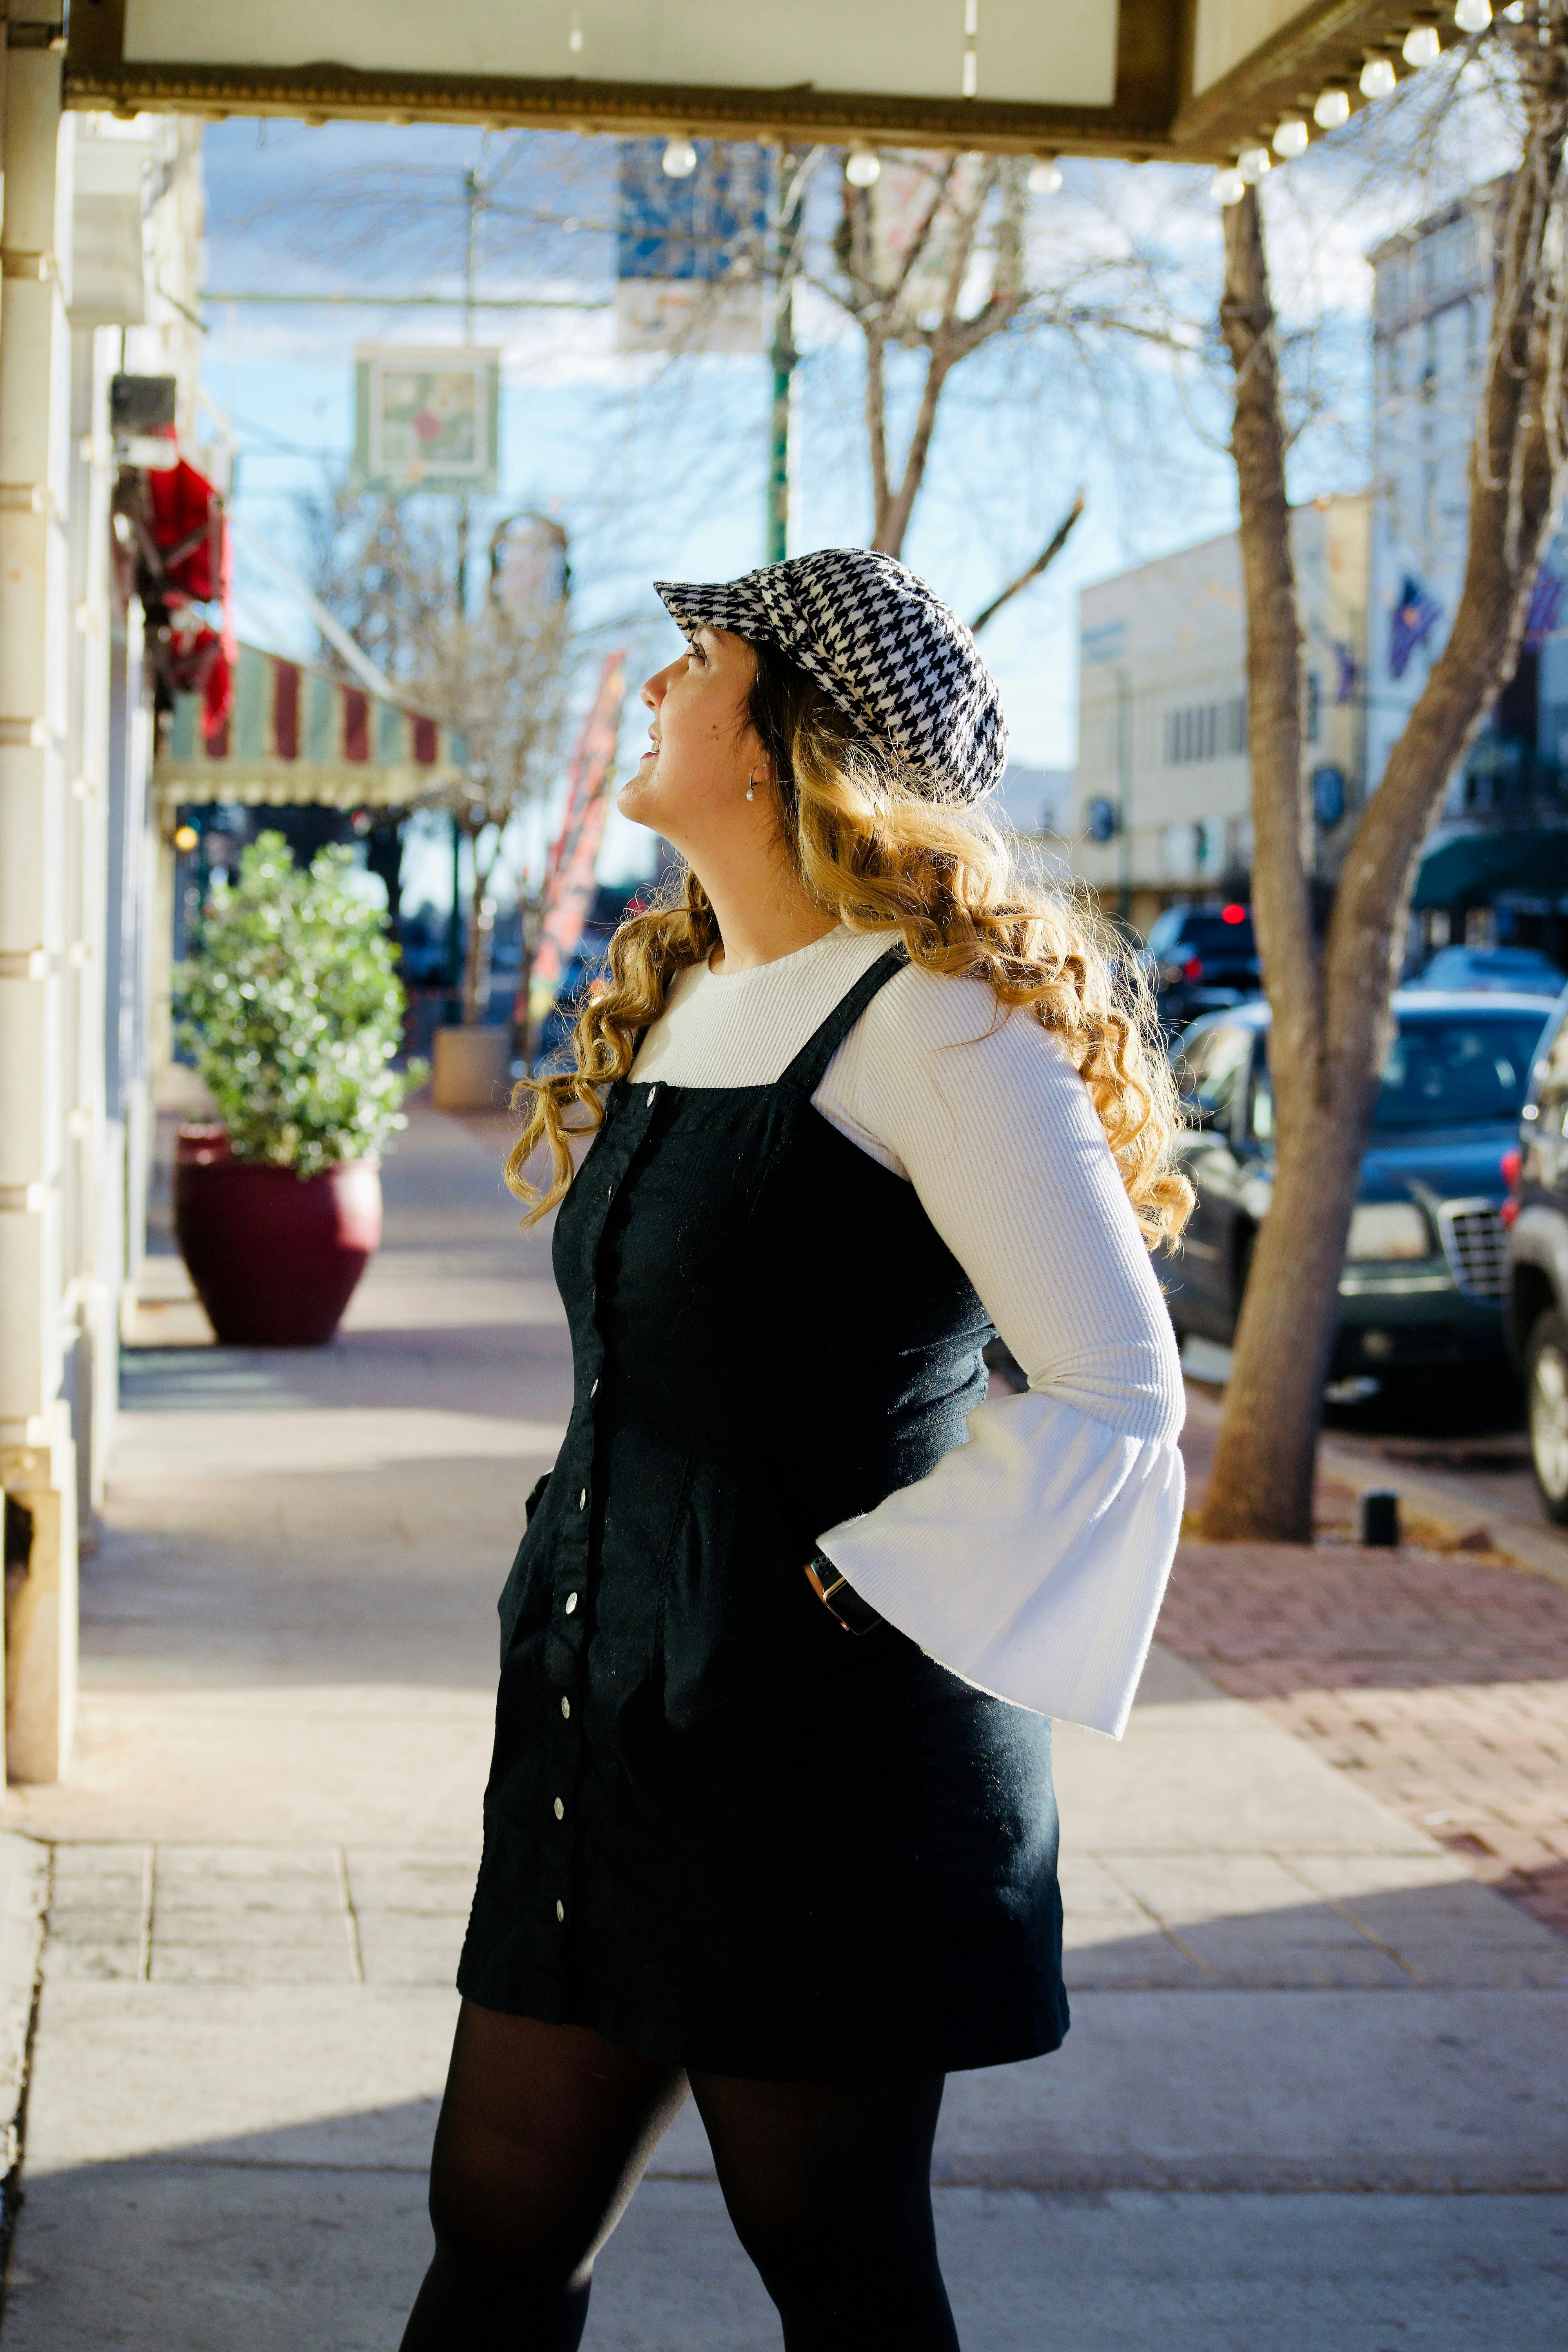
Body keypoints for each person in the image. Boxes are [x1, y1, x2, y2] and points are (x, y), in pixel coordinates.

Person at [399, 548, 1192, 2350]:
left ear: (778, 744)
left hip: (820, 1766)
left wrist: (838, 1596)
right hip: (605, 1732)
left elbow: (1113, 1387)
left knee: (834, 2273)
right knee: (494, 2226)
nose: (659, 684)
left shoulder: (937, 1018)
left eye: (697, 659)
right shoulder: (685, 997)